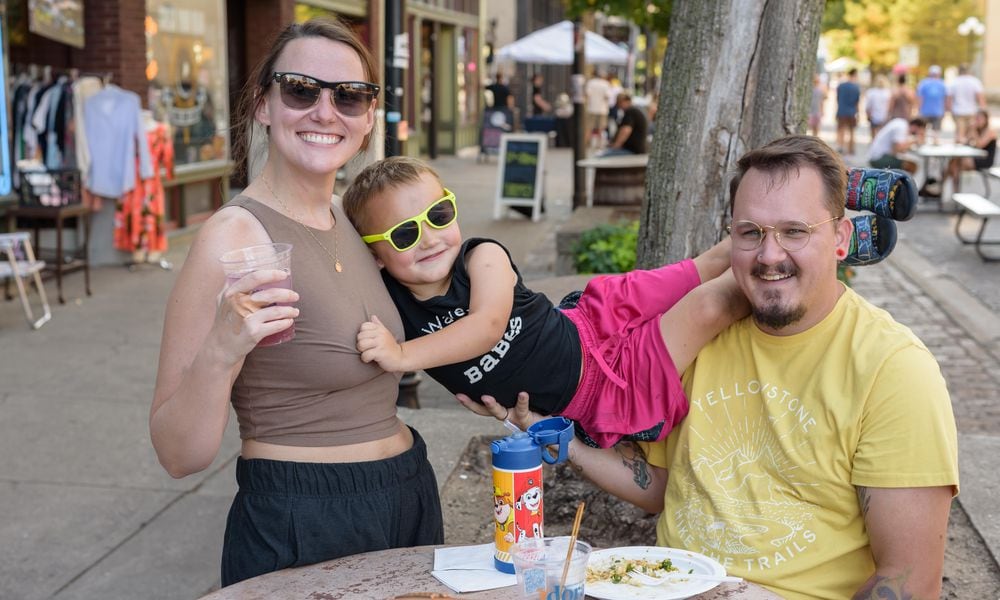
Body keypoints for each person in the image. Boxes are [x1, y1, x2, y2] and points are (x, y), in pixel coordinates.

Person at [464, 135, 959, 599]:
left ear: (840, 238)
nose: (769, 255)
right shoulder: (697, 338)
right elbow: (663, 488)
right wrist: (552, 435)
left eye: (795, 232)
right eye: (751, 233)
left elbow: (907, 582)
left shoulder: (892, 369)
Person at [149, 18, 443, 587]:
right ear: (263, 104)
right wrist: (221, 348)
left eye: (350, 96)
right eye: (301, 90)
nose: (326, 112)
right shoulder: (233, 237)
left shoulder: (356, 218)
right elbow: (177, 454)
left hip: (408, 495)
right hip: (303, 519)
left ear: (369, 117)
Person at [343, 155, 747, 449]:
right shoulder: (391, 301)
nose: (430, 238)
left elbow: (486, 328)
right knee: (713, 307)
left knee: (705, 266)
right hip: (601, 386)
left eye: (439, 214)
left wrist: (400, 354)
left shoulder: (481, 257)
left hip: (593, 323)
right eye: (404, 234)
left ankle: (773, 236)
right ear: (375, 255)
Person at [945, 108, 996, 191]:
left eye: (979, 119)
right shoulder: (976, 130)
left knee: (956, 163)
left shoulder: (990, 131)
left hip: (985, 160)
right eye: (976, 118)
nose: (977, 121)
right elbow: (965, 142)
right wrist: (967, 132)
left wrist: (974, 131)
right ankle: (953, 192)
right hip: (975, 158)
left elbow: (980, 144)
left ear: (986, 120)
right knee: (954, 165)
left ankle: (950, 190)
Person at [948, 64, 986, 141]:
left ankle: (959, 149)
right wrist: (983, 109)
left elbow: (949, 99)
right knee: (971, 132)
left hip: (958, 111)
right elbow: (980, 97)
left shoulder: (954, 82)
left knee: (959, 133)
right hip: (972, 111)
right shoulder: (975, 81)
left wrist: (950, 110)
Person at [916, 65, 947, 144]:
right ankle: (935, 142)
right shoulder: (942, 84)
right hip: (937, 111)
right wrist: (945, 109)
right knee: (936, 130)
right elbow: (946, 98)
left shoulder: (924, 83)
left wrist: (919, 109)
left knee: (923, 128)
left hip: (925, 110)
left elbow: (920, 97)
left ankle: (921, 142)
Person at [835, 69, 860, 155]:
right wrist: (858, 113)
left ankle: (841, 147)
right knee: (852, 131)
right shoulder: (856, 87)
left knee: (841, 130)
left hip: (841, 111)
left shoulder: (841, 86)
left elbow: (837, 99)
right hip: (852, 112)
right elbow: (857, 102)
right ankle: (851, 149)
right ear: (854, 75)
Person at [584, 70, 611, 148]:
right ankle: (599, 145)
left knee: (589, 127)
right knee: (600, 128)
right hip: (602, 109)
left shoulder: (591, 83)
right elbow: (607, 96)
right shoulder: (606, 84)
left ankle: (586, 143)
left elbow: (587, 95)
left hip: (591, 108)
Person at [864, 74, 891, 138]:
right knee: (882, 134)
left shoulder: (871, 92)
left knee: (874, 134)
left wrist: (868, 115)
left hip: (874, 116)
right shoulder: (888, 93)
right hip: (884, 116)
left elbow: (868, 106)